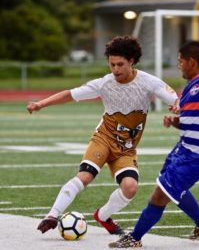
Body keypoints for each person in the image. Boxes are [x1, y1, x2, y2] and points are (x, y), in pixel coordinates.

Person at [27, 35, 179, 235]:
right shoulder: (104, 83)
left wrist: (178, 106)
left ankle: (103, 216)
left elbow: (176, 98)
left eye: (120, 64)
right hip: (103, 139)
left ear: (132, 61)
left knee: (130, 188)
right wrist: (40, 104)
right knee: (85, 176)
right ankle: (52, 215)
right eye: (111, 64)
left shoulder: (148, 82)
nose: (115, 69)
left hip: (126, 148)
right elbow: (70, 94)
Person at [108, 41, 199, 248]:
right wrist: (175, 121)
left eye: (180, 61)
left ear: (191, 61)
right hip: (183, 149)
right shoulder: (189, 87)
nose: (179, 66)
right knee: (169, 187)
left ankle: (135, 237)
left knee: (160, 195)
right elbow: (194, 120)